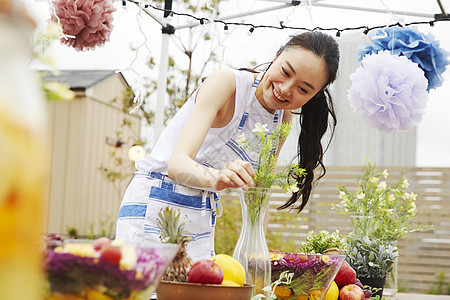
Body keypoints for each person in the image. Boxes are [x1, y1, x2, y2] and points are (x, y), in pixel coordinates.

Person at [116, 31, 340, 262]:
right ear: (277, 55)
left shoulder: (281, 119)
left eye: (303, 89)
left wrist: (256, 250)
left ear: (314, 95)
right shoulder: (227, 84)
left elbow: (259, 195)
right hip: (153, 205)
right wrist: (219, 177)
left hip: (200, 216)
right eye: (285, 72)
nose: (285, 89)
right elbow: (177, 164)